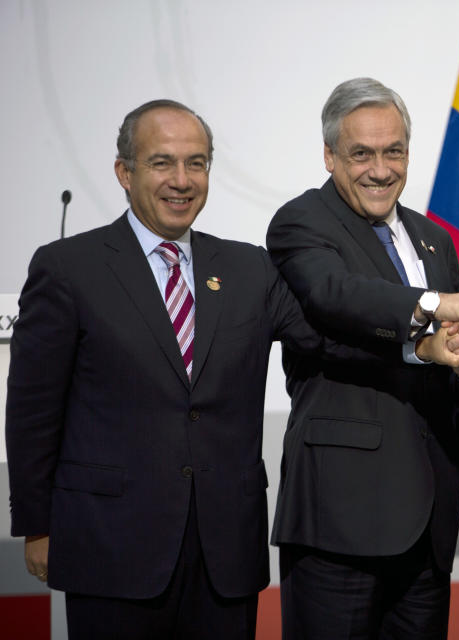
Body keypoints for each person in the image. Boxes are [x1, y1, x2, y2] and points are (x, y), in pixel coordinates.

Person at [5, 99, 324, 639]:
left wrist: (422, 335)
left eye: (196, 163)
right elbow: (33, 409)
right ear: (124, 173)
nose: (182, 180)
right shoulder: (67, 268)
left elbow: (325, 342)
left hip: (224, 550)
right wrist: (37, 525)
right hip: (110, 548)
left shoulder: (249, 268)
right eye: (162, 163)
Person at [266, 77, 459, 639]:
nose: (380, 168)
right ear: (329, 156)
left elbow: (450, 363)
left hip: (430, 516)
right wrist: (435, 304)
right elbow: (335, 297)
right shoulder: (302, 223)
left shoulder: (433, 238)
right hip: (342, 515)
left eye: (394, 151)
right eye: (361, 153)